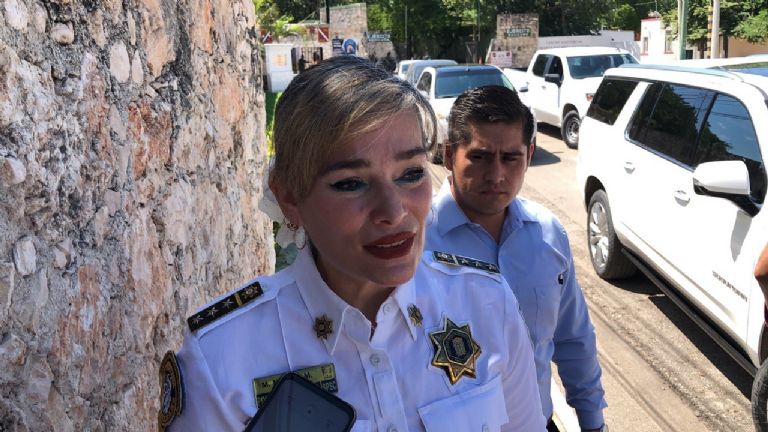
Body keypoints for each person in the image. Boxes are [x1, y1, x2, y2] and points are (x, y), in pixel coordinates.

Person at [158, 57, 546, 431]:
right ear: (289, 197)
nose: (393, 211)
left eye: (411, 174)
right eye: (350, 183)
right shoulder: (219, 359)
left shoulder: (486, 303)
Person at [425, 85, 608, 432]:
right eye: (480, 157)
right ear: (449, 155)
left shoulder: (547, 235)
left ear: (529, 155)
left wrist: (593, 422)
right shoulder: (414, 246)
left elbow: (573, 338)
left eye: (511, 158)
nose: (496, 175)